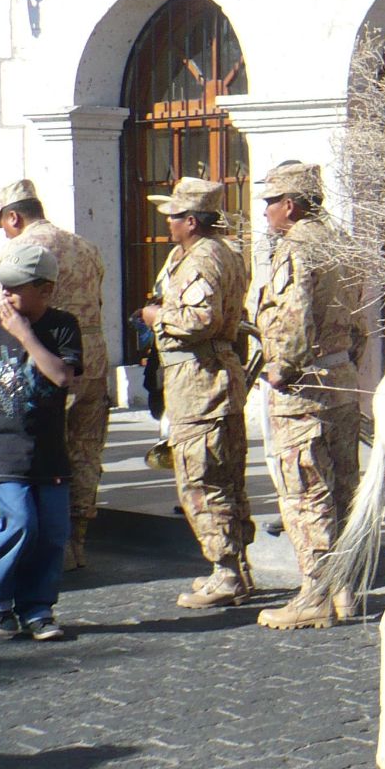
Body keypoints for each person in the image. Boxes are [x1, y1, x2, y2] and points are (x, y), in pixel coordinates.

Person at [249, 162, 369, 630]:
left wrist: (282, 367)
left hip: (304, 389)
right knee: (342, 487)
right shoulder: (340, 242)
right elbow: (360, 314)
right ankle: (343, 591)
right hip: (340, 379)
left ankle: (315, 594)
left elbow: (294, 315)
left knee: (306, 492)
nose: (265, 214)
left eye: (270, 203)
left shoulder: (296, 247)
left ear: (291, 206)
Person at [141, 178, 255, 609]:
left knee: (203, 478)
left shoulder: (206, 257)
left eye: (173, 216)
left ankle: (226, 572)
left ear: (191, 221)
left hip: (202, 381)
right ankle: (233, 568)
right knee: (220, 476)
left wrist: (157, 316)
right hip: (196, 379)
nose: (167, 223)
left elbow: (199, 319)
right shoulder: (190, 254)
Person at [0, 180, 108, 571]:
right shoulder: (85, 247)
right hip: (91, 356)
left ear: (14, 217)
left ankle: (31, 548)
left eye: (4, 223)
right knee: (85, 450)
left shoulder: (19, 251)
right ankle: (75, 543)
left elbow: (0, 317)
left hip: (39, 362)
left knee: (42, 449)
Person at [0, 244, 82, 642]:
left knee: (53, 532)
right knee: (20, 522)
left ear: (45, 291)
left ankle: (38, 609)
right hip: (2, 448)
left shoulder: (62, 326)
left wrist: (25, 336)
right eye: (1, 288)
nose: (5, 296)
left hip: (49, 451)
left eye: (14, 288)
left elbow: (62, 376)